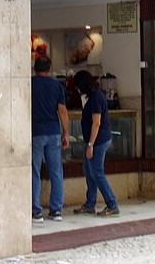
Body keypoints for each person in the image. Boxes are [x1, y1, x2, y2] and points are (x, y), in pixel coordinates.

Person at [72, 70, 119, 217]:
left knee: (97, 173)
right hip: (93, 140)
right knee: (89, 171)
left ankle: (112, 204)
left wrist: (91, 145)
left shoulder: (96, 98)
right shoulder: (93, 97)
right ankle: (90, 204)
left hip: (98, 141)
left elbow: (96, 123)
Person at [30, 58, 69, 223]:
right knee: (56, 172)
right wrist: (66, 133)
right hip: (53, 132)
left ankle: (36, 210)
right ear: (49, 68)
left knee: (34, 172)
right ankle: (56, 209)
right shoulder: (57, 86)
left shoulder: (29, 84)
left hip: (35, 132)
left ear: (34, 68)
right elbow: (63, 112)